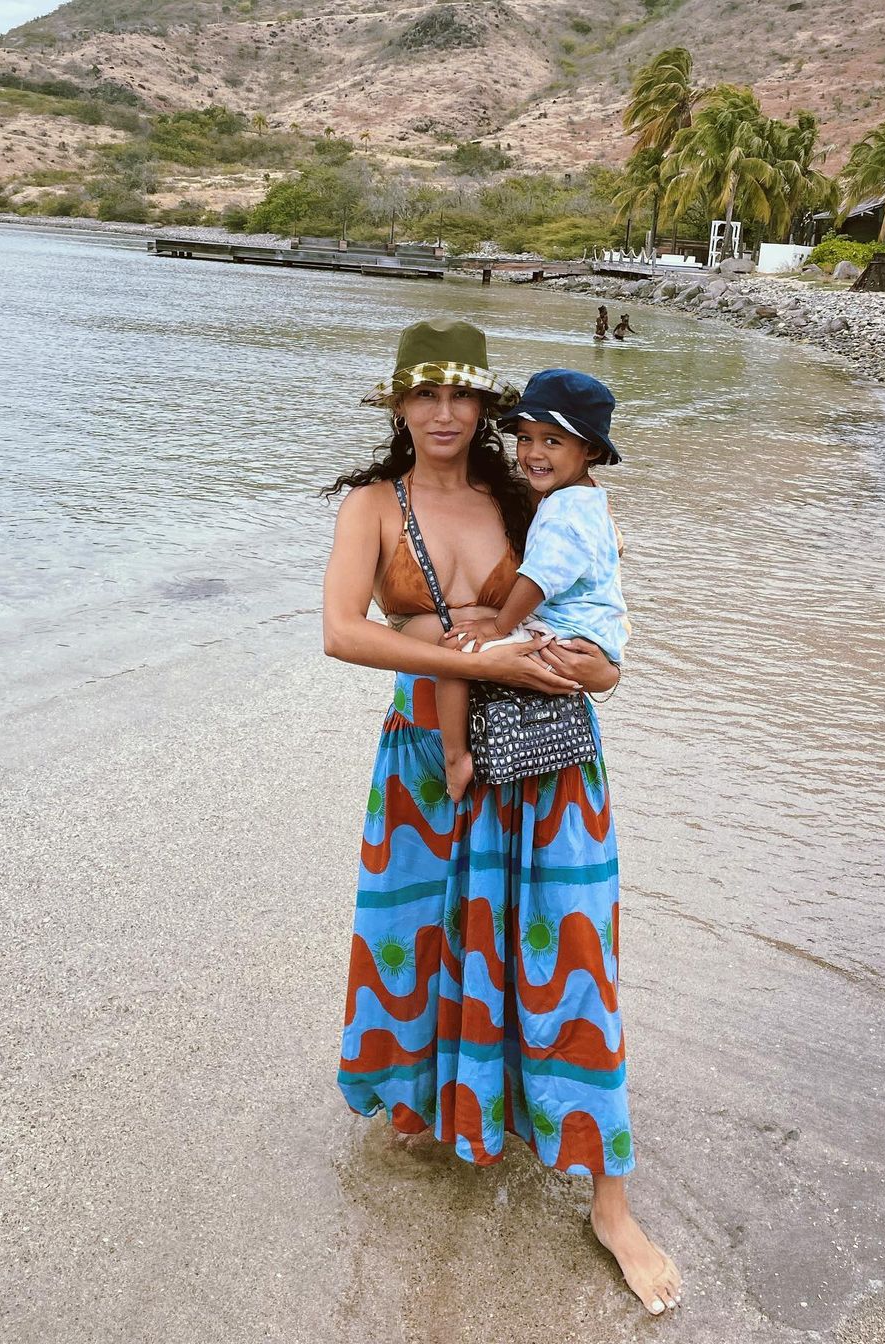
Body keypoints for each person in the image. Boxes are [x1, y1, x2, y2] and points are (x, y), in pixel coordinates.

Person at [322, 318, 682, 1317]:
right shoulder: (373, 506)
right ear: (398, 403)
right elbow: (342, 633)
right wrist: (475, 658)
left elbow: (602, 621)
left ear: (487, 407)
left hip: (546, 754)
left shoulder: (531, 494)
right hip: (425, 758)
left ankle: (611, 1203)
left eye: (462, 396)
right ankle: (448, 1107)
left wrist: (591, 669)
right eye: (423, 394)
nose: (443, 414)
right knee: (425, 943)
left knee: (571, 960)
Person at [435, 369, 629, 806]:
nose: (533, 453)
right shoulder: (586, 497)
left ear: (590, 449)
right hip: (592, 631)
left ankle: (456, 759)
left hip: (568, 634)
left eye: (552, 441)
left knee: (452, 655)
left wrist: (497, 627)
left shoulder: (564, 514)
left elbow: (538, 579)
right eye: (524, 438)